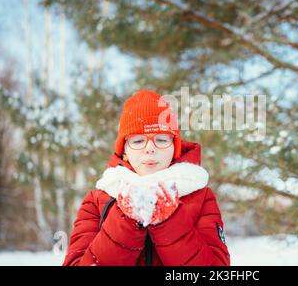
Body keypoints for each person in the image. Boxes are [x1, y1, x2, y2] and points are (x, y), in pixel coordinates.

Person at [62, 89, 230, 266]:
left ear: (175, 148)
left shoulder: (201, 197)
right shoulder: (96, 201)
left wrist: (169, 221)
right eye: (138, 141)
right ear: (124, 150)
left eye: (162, 140)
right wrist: (125, 222)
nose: (150, 148)